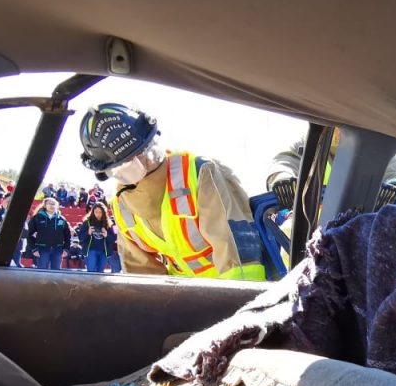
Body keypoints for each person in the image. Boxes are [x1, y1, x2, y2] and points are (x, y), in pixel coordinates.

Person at [78, 102, 267, 279]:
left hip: (234, 291)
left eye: (148, 150)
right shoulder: (123, 208)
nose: (147, 159)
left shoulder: (199, 173)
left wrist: (244, 301)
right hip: (185, 296)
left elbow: (237, 252)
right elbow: (143, 278)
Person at [265, 132, 396, 211]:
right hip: (310, 230)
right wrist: (282, 179)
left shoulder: (373, 151)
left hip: (356, 228)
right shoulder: (307, 144)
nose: (337, 131)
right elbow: (283, 163)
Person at [26, 197, 71, 269]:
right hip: (42, 249)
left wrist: (66, 248)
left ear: (57, 206)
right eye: (49, 204)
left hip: (57, 249)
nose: (52, 206)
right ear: (44, 205)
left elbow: (67, 236)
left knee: (56, 271)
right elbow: (29, 235)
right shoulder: (37, 218)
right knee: (42, 271)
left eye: (53, 204)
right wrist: (34, 249)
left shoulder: (61, 219)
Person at [76, 202, 114, 273]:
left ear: (104, 213)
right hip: (90, 250)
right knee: (91, 271)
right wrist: (88, 233)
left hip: (104, 251)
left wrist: (106, 235)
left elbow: (113, 239)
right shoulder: (87, 222)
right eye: (96, 212)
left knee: (100, 272)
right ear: (92, 212)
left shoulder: (108, 224)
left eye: (100, 212)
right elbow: (80, 237)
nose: (98, 214)